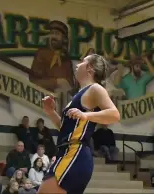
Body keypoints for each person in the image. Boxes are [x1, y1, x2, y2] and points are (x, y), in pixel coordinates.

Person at [39, 54, 120, 194]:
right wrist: (51, 112)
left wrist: (86, 115)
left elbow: (114, 114)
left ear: (90, 68)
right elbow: (66, 129)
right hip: (68, 152)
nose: (77, 65)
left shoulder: (95, 88)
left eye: (82, 62)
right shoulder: (79, 94)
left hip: (75, 153)